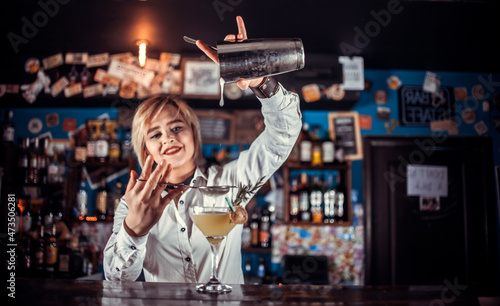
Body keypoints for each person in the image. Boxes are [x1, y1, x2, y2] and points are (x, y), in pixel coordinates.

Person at [103, 16, 302, 283]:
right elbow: (116, 281)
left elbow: (282, 136)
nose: (168, 139)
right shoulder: (133, 203)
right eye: (154, 134)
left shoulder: (231, 183)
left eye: (176, 128)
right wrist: (134, 231)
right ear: (145, 148)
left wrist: (261, 80)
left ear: (193, 133)